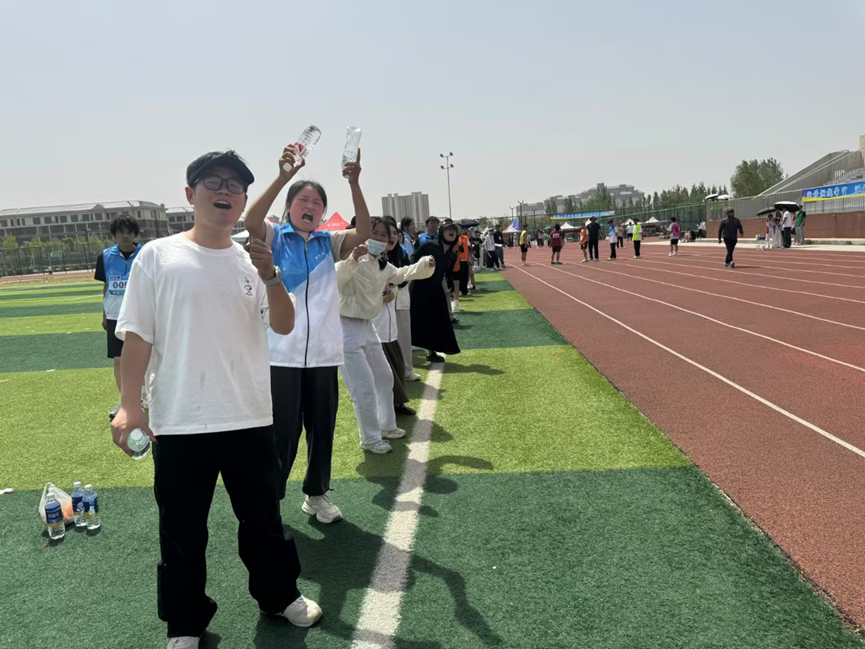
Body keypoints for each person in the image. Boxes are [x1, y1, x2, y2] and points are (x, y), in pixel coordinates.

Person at [112, 150, 318, 649]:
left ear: (244, 199)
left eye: (234, 185)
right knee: (181, 530)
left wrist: (271, 277)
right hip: (180, 419)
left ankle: (279, 595)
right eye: (213, 182)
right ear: (190, 194)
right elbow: (136, 337)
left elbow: (284, 324)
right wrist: (129, 404)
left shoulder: (252, 259)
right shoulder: (157, 256)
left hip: (248, 414)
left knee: (263, 520)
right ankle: (185, 622)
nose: (224, 191)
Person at [243, 144, 371, 524]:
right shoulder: (274, 236)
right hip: (280, 355)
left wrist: (354, 182)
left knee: (322, 429)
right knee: (281, 433)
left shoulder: (328, 243)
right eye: (303, 199)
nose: (310, 205)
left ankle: (317, 494)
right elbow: (251, 220)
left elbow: (364, 230)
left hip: (323, 356)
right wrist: (283, 176)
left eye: (317, 202)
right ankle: (271, 500)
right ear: (288, 207)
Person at [337, 218, 435, 454]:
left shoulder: (381, 263)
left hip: (367, 327)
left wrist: (425, 264)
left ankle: (386, 426)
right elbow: (336, 278)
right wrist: (352, 259)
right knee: (363, 387)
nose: (380, 238)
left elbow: (401, 274)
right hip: (344, 328)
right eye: (375, 233)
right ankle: (370, 439)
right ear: (362, 234)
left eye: (384, 234)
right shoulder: (347, 256)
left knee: (384, 377)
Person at [94, 213, 142, 420]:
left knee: (144, 359)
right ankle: (126, 402)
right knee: (119, 360)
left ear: (135, 234)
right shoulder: (105, 256)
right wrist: (105, 313)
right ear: (114, 234)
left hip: (140, 314)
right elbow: (106, 286)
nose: (126, 236)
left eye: (129, 232)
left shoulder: (145, 254)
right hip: (115, 315)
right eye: (121, 232)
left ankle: (145, 398)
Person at [410, 220, 462, 364]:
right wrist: (422, 265)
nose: (452, 231)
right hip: (420, 288)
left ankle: (431, 352)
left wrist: (450, 286)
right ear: (442, 233)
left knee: (437, 321)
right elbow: (413, 258)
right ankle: (402, 350)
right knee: (414, 319)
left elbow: (448, 274)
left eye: (454, 230)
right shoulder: (430, 246)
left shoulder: (452, 255)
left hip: (436, 291)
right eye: (448, 229)